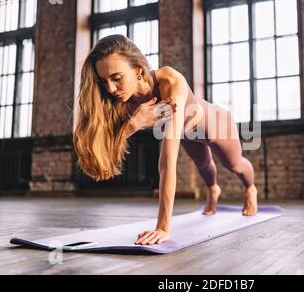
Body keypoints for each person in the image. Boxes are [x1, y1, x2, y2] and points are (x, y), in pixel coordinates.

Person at [73, 35, 258, 246]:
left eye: (116, 78)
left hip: (215, 124)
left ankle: (251, 188)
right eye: (103, 81)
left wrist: (162, 227)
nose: (111, 88)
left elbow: (167, 162)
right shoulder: (122, 100)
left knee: (234, 164)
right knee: (204, 165)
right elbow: (104, 144)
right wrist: (134, 124)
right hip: (186, 133)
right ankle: (214, 189)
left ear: (139, 70)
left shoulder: (170, 83)